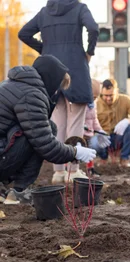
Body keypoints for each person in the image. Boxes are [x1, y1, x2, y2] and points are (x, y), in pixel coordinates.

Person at [18, 0, 99, 182]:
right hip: (76, 68)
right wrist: (89, 52)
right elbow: (93, 28)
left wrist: (45, 50)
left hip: (51, 71)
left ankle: (59, 172)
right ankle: (73, 170)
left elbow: (23, 33)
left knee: (58, 123)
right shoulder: (79, 8)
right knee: (76, 121)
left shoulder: (44, 12)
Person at [0, 55, 96, 204]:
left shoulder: (13, 85)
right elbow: (46, 145)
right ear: (51, 79)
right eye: (58, 86)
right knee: (43, 134)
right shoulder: (31, 95)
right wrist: (75, 152)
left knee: (36, 132)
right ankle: (20, 191)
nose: (56, 91)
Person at [95, 79, 130, 167]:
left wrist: (128, 121)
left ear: (116, 92)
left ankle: (124, 158)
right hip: (103, 137)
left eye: (111, 95)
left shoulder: (125, 100)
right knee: (94, 141)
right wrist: (97, 132)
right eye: (105, 95)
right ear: (101, 93)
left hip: (119, 136)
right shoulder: (95, 103)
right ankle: (103, 158)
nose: (108, 98)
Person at [84, 79, 111, 176]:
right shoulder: (80, 104)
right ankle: (70, 169)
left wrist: (100, 130)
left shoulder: (93, 104)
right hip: (80, 133)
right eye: (93, 97)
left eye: (96, 97)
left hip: (89, 133)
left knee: (90, 151)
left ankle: (90, 169)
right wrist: (83, 127)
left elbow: (94, 119)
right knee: (76, 150)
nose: (94, 99)